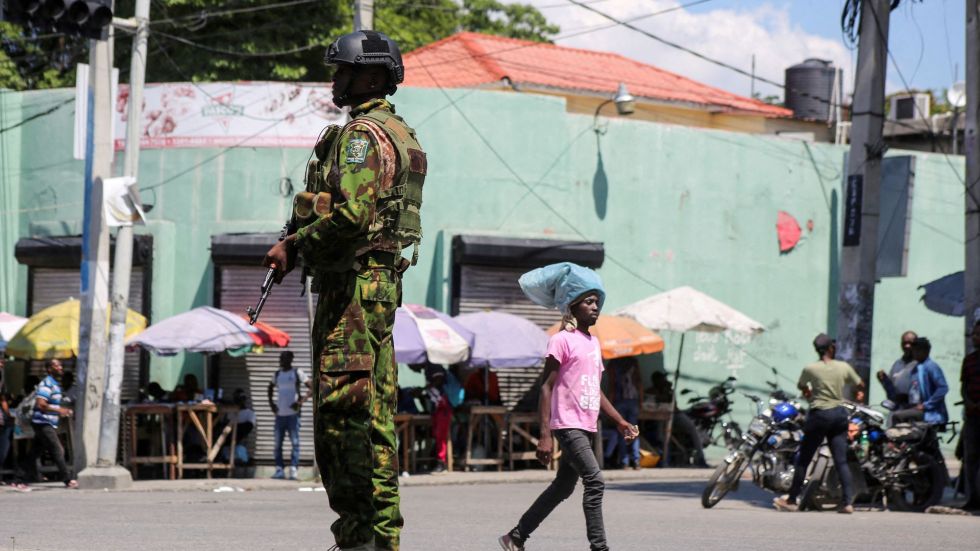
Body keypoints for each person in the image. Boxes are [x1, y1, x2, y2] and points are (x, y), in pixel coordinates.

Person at [263, 29, 425, 551]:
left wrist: (295, 245)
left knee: (343, 416)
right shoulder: (400, 133)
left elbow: (353, 215)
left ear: (372, 76)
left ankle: (360, 537)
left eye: (343, 71)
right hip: (376, 286)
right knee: (372, 412)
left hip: (352, 290)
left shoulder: (360, 136)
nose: (335, 79)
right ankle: (378, 537)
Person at [500, 264, 637, 551]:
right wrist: (545, 435)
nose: (595, 307)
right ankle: (599, 547)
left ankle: (516, 537)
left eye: (597, 301)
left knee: (563, 487)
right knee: (595, 481)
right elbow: (546, 387)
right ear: (572, 307)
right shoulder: (561, 340)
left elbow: (594, 389)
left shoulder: (593, 343)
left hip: (587, 426)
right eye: (588, 301)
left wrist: (620, 421)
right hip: (567, 425)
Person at [774, 334, 864, 514]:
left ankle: (792, 500)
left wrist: (809, 393)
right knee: (841, 461)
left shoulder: (810, 369)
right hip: (839, 415)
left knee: (803, 460)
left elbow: (802, 386)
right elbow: (859, 384)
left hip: (819, 415)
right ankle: (847, 503)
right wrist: (859, 394)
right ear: (831, 348)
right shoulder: (843, 367)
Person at [29, 359, 76, 488]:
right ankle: (67, 479)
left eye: (61, 365)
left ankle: (20, 477)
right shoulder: (46, 383)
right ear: (49, 369)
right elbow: (41, 404)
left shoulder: (55, 384)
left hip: (47, 422)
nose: (60, 367)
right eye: (57, 365)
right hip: (42, 422)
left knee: (34, 452)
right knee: (57, 449)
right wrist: (59, 410)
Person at [266, 351, 311, 480]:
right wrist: (272, 405)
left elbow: (312, 386)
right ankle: (279, 470)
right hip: (280, 415)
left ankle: (293, 469)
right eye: (280, 358)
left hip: (293, 415)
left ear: (290, 359)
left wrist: (301, 401)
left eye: (284, 358)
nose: (281, 360)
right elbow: (270, 388)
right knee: (277, 444)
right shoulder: (277, 374)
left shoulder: (297, 373)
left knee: (295, 443)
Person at [901, 337, 949, 426]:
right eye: (914, 350)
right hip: (918, 411)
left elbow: (943, 388)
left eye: (917, 351)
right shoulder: (916, 368)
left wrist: (927, 405)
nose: (914, 353)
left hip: (932, 415)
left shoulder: (931, 367)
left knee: (898, 417)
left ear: (925, 351)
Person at [606, 357, 642, 469]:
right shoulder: (633, 361)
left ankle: (624, 462)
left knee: (622, 431)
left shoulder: (613, 363)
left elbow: (612, 385)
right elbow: (638, 381)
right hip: (633, 400)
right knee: (633, 430)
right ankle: (636, 461)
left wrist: (609, 406)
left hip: (619, 400)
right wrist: (641, 400)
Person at [960, 321, 980, 511]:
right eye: (974, 334)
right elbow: (964, 386)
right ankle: (973, 498)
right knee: (971, 458)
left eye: (978, 334)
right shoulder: (970, 360)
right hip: (973, 416)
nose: (975, 338)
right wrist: (969, 402)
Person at [876, 331, 918, 417]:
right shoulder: (897, 364)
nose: (907, 346)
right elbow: (892, 393)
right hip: (896, 413)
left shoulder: (920, 365)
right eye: (904, 343)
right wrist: (885, 380)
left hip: (912, 414)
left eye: (910, 343)